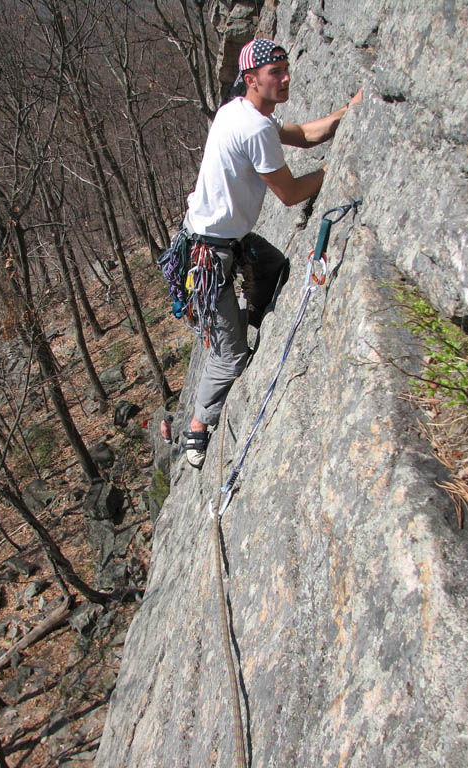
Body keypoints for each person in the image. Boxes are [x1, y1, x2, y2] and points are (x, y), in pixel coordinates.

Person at [182, 38, 362, 468]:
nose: (285, 78)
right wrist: (337, 168)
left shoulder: (239, 111)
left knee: (274, 267)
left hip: (216, 240)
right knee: (230, 356)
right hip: (211, 257)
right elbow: (291, 194)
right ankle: (196, 429)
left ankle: (251, 321)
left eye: (286, 68)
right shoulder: (254, 127)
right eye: (274, 72)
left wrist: (347, 113)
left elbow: (299, 135)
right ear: (251, 79)